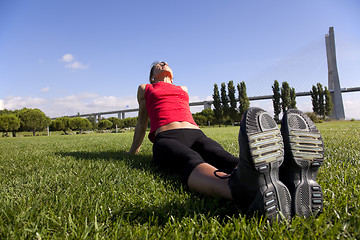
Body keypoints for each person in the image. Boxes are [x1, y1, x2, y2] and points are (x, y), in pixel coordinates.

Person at [128, 61, 325, 221]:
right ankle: (240, 190)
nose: (162, 64)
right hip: (167, 137)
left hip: (195, 133)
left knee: (222, 156)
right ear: (152, 76)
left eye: (165, 63)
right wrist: (133, 151)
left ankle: (284, 179)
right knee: (190, 159)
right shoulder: (146, 88)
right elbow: (141, 122)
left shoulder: (183, 88)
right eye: (157, 65)